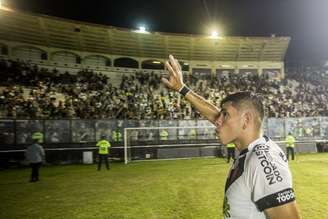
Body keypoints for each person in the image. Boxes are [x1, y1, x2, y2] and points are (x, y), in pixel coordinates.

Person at [161, 55, 301, 219]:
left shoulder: (262, 161)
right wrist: (182, 88)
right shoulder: (253, 150)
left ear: (246, 120)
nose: (217, 121)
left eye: (225, 115)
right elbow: (215, 115)